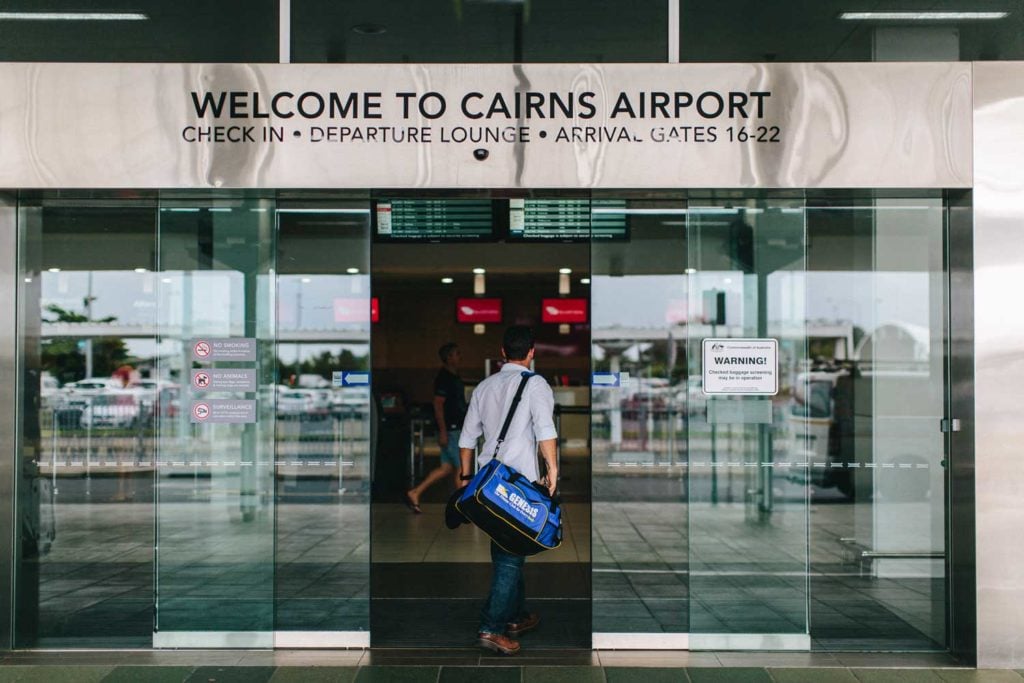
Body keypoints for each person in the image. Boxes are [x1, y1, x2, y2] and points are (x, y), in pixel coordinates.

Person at [458, 325, 558, 656]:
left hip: (487, 485)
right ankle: (492, 627)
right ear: (532, 352)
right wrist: (553, 470)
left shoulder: (484, 387)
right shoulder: (536, 384)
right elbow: (545, 431)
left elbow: (467, 438)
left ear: (502, 352)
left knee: (509, 545)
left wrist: (464, 476)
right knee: (509, 556)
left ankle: (516, 615)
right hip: (517, 486)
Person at [405, 342, 468, 513]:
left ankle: (415, 492)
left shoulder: (453, 377)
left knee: (446, 468)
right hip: (451, 429)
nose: (460, 357)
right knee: (461, 468)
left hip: (453, 429)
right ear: (448, 358)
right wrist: (443, 431)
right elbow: (438, 405)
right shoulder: (444, 379)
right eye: (457, 354)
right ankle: (462, 506)